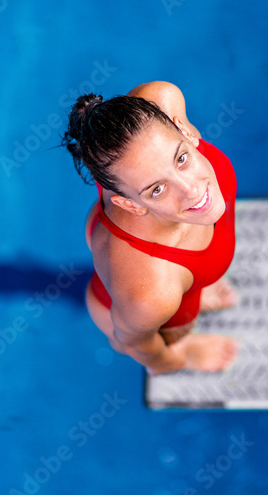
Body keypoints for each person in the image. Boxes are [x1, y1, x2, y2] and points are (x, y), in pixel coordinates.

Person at [62, 81, 240, 375]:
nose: (192, 190)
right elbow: (130, 343)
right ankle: (187, 343)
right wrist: (177, 361)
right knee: (175, 323)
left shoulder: (160, 102)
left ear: (181, 128)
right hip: (134, 300)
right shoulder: (153, 293)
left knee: (184, 291)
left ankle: (193, 289)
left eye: (181, 159)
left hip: (147, 264)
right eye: (157, 189)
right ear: (130, 204)